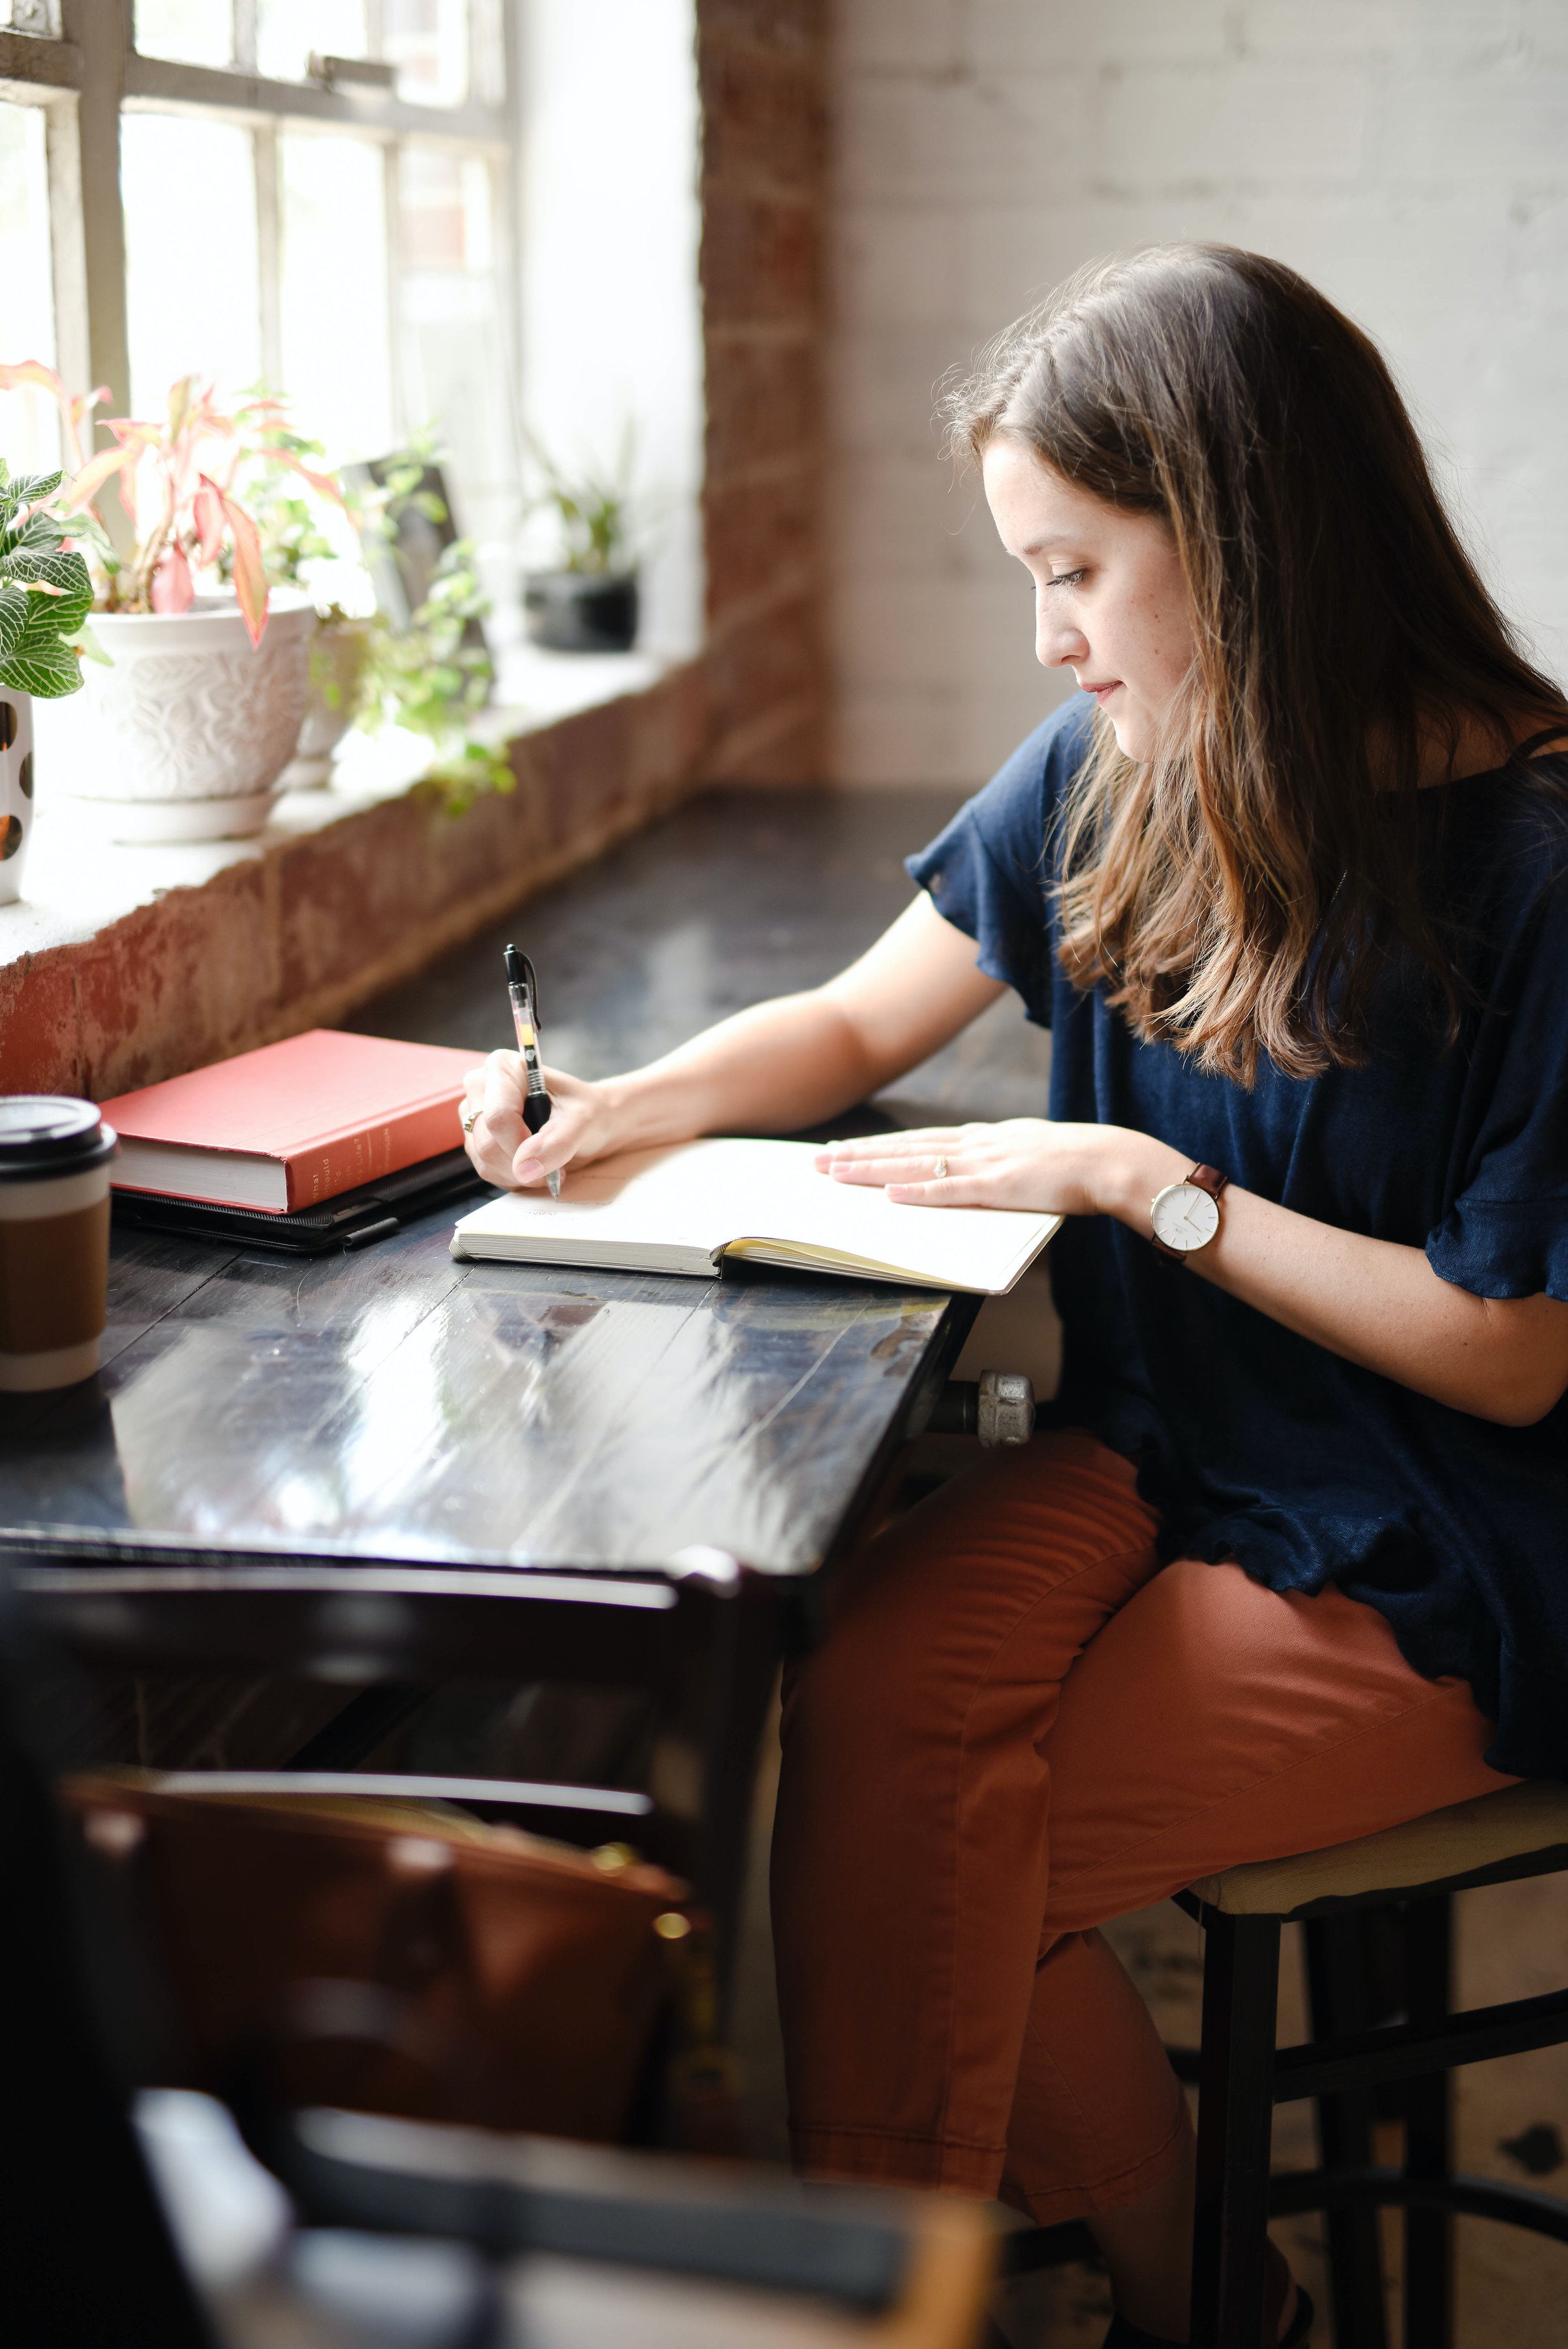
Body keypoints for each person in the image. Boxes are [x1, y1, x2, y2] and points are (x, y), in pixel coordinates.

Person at [461, 245, 1568, 2347]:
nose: (1046, 636)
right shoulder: (1122, 756)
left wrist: (1139, 1185)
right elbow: (851, 1019)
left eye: (1071, 567)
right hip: (1169, 1445)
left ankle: (973, 2307)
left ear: (1242, 543)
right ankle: (1168, 2298)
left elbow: (1511, 1361)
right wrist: (614, 1107)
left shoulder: (1539, 863)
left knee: (951, 1855)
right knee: (867, 1701)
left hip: (1458, 1531)